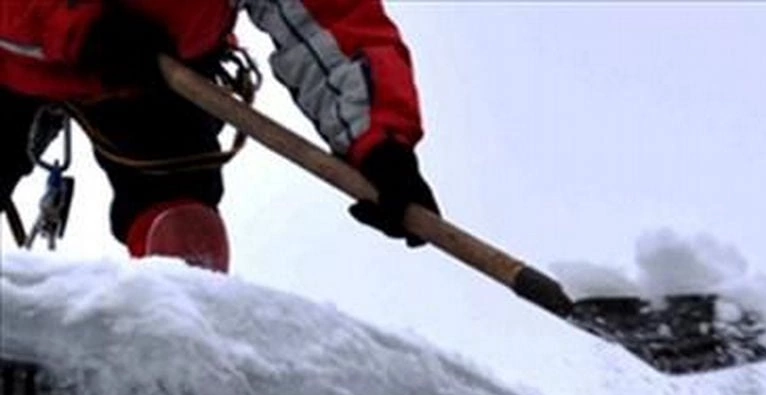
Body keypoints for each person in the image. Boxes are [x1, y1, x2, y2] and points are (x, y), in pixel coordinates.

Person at [0, 0, 440, 272]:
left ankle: (172, 369)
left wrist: (381, 144)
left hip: (157, 70)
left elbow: (331, 18)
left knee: (184, 233)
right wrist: (74, 22)